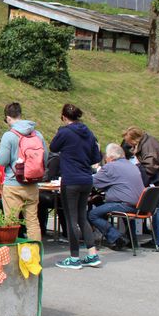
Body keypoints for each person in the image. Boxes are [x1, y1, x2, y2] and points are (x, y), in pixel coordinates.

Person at [49, 104, 102, 269]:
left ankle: (74, 258)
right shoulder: (89, 133)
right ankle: (92, 254)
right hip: (86, 179)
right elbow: (96, 157)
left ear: (64, 117)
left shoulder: (64, 132)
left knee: (71, 219)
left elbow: (53, 147)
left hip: (70, 180)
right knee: (81, 217)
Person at [0, 102, 48, 241]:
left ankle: (12, 254)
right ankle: (35, 253)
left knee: (11, 223)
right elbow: (45, 158)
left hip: (13, 184)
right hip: (32, 184)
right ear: (20, 114)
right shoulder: (37, 134)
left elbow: (2, 161)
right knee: (32, 222)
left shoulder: (9, 136)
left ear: (8, 118)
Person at [123, 127, 159, 248]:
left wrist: (138, 178)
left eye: (129, 142)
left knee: (158, 210)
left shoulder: (148, 147)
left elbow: (149, 168)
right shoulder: (148, 141)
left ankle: (156, 241)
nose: (129, 145)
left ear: (135, 139)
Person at [88, 143, 145, 250]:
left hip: (124, 204)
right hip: (139, 204)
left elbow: (92, 181)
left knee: (93, 214)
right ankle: (132, 241)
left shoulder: (110, 166)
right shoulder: (131, 165)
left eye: (106, 156)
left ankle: (117, 238)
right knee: (101, 205)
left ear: (110, 157)